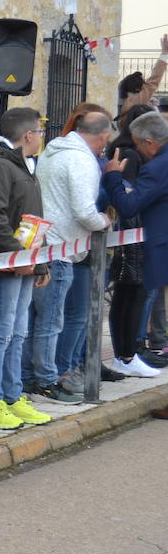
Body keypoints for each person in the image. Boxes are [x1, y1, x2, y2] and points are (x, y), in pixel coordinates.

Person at [0, 107, 53, 431]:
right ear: (28, 135)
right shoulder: (0, 166)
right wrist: (18, 257)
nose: (42, 138)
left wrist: (39, 262)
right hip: (9, 264)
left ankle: (13, 394)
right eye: (40, 132)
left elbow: (33, 219)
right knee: (2, 331)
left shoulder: (23, 165)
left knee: (18, 332)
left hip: (25, 263)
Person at [28, 104, 112, 402]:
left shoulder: (54, 150)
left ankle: (30, 377)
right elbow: (84, 211)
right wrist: (104, 221)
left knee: (35, 321)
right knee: (51, 322)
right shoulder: (81, 161)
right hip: (61, 249)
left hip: (44, 245)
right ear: (102, 136)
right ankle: (47, 380)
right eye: (106, 140)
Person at [105, 110, 168, 369]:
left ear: (150, 143)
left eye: (138, 143)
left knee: (138, 296)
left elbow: (129, 206)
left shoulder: (157, 168)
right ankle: (129, 353)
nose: (136, 150)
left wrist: (112, 177)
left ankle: (129, 354)